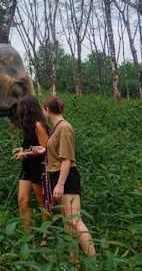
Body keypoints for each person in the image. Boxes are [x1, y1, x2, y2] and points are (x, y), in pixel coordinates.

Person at [42, 96, 96, 257]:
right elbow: (56, 152)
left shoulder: (64, 127)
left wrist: (60, 184)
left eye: (43, 108)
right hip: (56, 175)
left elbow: (67, 159)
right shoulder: (57, 127)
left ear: (47, 110)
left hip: (65, 177)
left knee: (75, 220)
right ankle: (74, 261)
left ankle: (93, 263)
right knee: (67, 221)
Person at [13, 94, 51, 240]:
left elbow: (45, 149)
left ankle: (46, 236)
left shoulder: (38, 126)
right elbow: (31, 146)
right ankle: (27, 235)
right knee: (22, 200)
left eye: (21, 106)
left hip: (38, 167)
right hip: (27, 166)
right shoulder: (28, 124)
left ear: (27, 108)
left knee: (42, 202)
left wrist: (26, 153)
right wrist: (21, 150)